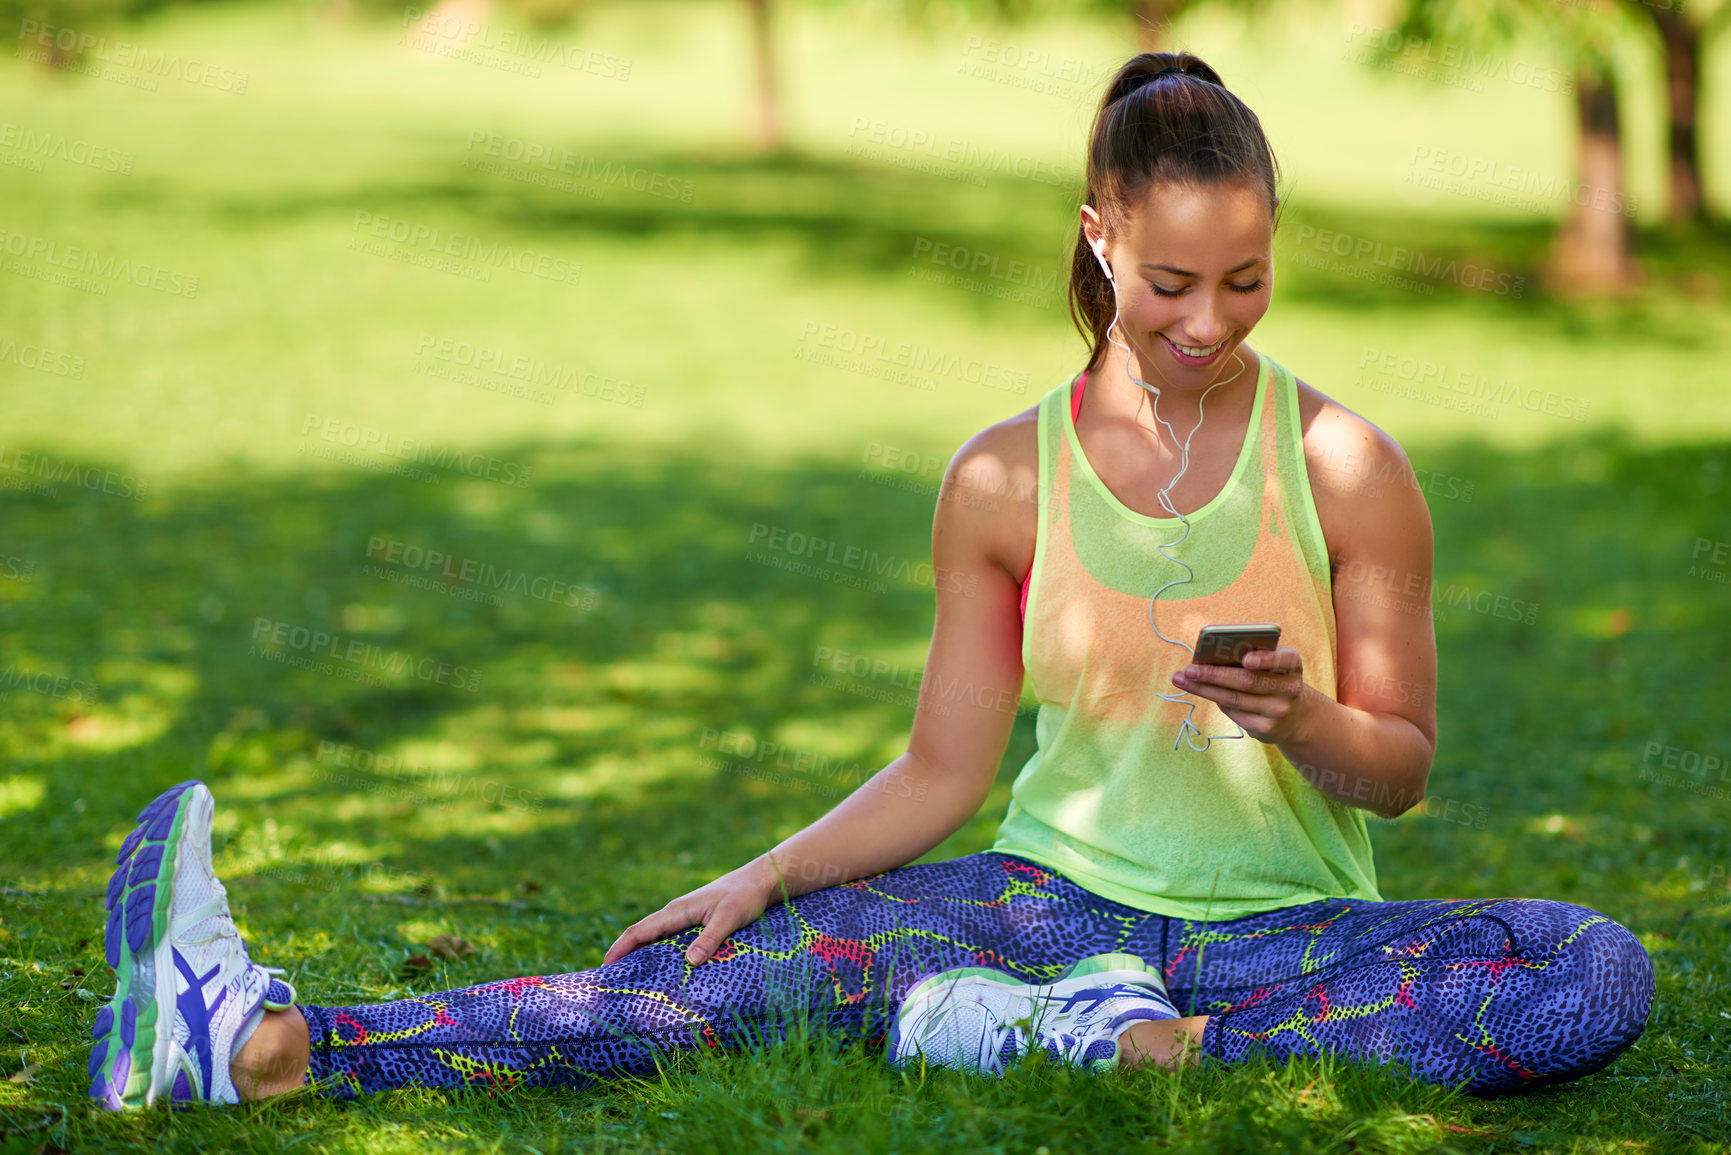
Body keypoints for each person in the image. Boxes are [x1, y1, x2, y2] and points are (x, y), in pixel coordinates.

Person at [87, 50, 1653, 1111]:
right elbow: (943, 767)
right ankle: (264, 1044)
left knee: (1595, 970)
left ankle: (1145, 1047)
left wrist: (1304, 717)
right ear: (1101, 242)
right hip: (1042, 901)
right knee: (713, 987)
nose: (1209, 320)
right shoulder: (1003, 479)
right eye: (1172, 281)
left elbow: (1402, 776)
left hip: (1288, 933)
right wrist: (769, 875)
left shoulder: (1344, 467)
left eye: (1248, 280)